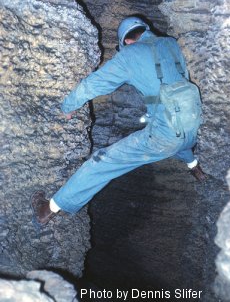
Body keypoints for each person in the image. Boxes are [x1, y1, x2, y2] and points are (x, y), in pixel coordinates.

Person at [31, 16, 207, 226]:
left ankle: (49, 209)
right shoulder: (170, 44)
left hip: (165, 134)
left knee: (101, 162)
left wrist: (69, 106)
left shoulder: (130, 54)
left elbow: (95, 84)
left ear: (127, 41)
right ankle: (195, 168)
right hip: (192, 124)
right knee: (172, 129)